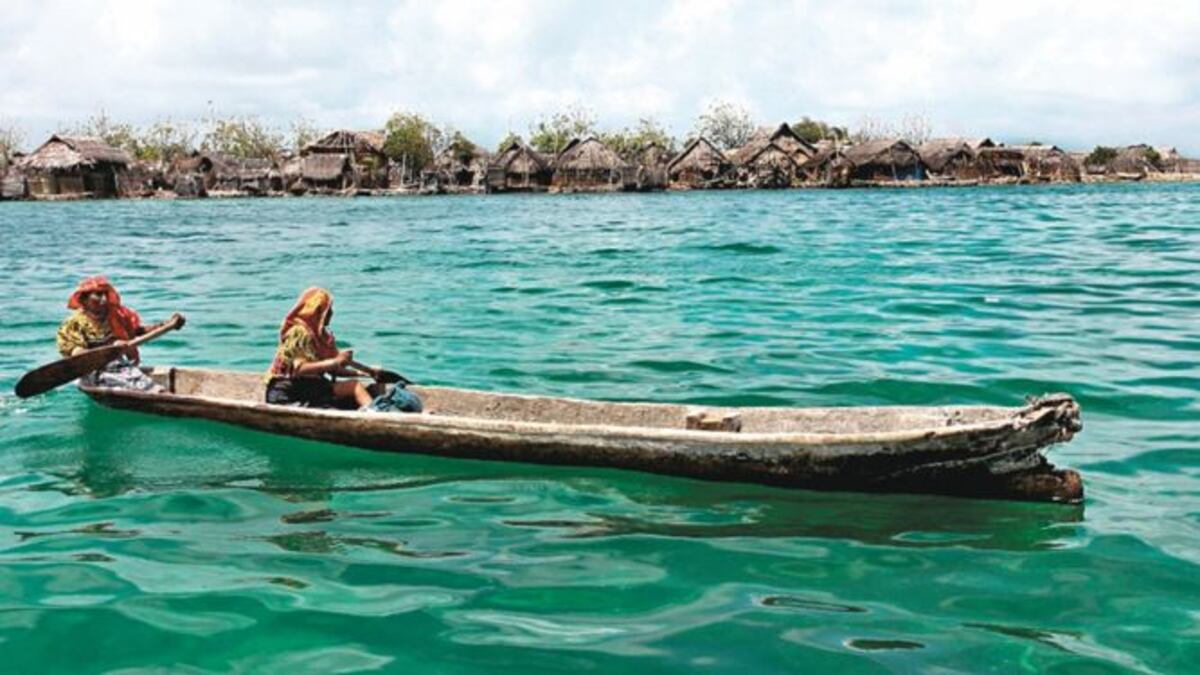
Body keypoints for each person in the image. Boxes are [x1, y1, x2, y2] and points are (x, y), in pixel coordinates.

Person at [265, 287, 407, 410]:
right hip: (287, 392)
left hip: (309, 388)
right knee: (354, 387)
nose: (331, 314)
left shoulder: (322, 337)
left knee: (374, 388)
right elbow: (300, 369)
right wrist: (337, 361)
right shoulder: (299, 332)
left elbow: (335, 369)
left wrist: (366, 373)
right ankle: (377, 417)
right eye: (328, 310)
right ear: (316, 311)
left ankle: (375, 410)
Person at [56, 276, 181, 391]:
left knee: (148, 385)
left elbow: (136, 332)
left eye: (105, 294)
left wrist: (166, 325)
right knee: (134, 385)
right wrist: (113, 348)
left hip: (121, 366)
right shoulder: (73, 324)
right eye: (98, 295)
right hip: (95, 371)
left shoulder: (116, 316)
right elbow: (78, 355)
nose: (104, 299)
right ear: (84, 299)